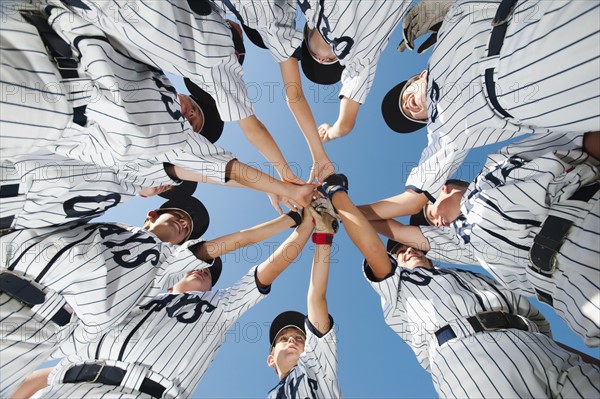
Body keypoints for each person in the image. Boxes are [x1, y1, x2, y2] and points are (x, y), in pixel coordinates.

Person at [318, 173, 600, 398]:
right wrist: (340, 201)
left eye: (410, 247)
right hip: (468, 359)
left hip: (539, 345)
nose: (407, 251)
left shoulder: (473, 273)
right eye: (399, 252)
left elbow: (533, 319)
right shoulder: (398, 287)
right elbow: (374, 247)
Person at [15, 208, 315, 399]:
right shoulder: (135, 293)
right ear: (174, 273)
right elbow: (45, 374)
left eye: (211, 273)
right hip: (65, 388)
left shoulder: (220, 306)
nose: (204, 270)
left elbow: (267, 269)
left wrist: (303, 225)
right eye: (201, 266)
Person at [364, 0, 599, 221]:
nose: (406, 105)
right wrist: (346, 212)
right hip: (551, 96)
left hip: (533, 20)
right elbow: (411, 202)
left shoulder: (446, 38)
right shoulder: (442, 133)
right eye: (410, 115)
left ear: (419, 76)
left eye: (404, 95)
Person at [215, 1, 336, 182]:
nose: (322, 58)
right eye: (331, 58)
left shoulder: (278, 24)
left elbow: (293, 95)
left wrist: (317, 157)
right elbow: (294, 96)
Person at [296, 0, 413, 142]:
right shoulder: (357, 57)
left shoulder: (311, 7)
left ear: (308, 31)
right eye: (329, 61)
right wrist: (330, 133)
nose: (321, 60)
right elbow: (345, 125)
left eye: (313, 56)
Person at [267, 204, 341, 397]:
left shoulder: (316, 363)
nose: (292, 339)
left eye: (300, 338)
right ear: (270, 359)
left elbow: (316, 298)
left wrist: (324, 237)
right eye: (283, 339)